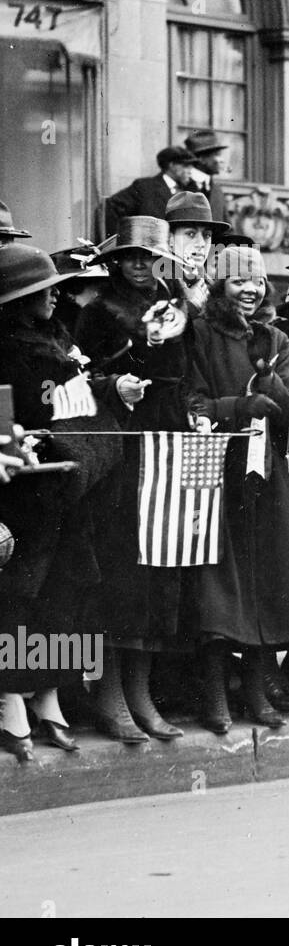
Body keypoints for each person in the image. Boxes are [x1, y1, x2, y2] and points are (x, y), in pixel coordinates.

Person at [185, 244, 289, 733]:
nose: (251, 290)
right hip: (216, 472)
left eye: (258, 282)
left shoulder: (276, 337)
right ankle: (216, 693)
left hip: (266, 475)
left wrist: (271, 380)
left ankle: (258, 688)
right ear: (220, 286)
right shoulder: (198, 334)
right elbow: (191, 403)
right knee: (220, 586)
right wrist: (237, 408)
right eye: (240, 281)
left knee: (267, 578)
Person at [74, 216, 195, 741]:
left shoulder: (176, 300)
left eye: (150, 256)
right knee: (122, 564)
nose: (142, 266)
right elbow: (81, 377)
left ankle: (140, 691)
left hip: (166, 437)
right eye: (132, 257)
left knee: (159, 565)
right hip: (120, 440)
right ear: (117, 260)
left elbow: (185, 369)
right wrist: (127, 364)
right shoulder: (99, 310)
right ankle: (108, 695)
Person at [1, 242, 123, 757]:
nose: (54, 297)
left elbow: (82, 409)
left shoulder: (57, 341)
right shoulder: (6, 350)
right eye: (42, 291)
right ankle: (10, 702)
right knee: (20, 598)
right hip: (22, 494)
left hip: (67, 489)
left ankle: (48, 696)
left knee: (64, 592)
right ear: (17, 300)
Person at [102, 147, 199, 234]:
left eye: (191, 166)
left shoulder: (192, 189)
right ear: (172, 165)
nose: (190, 171)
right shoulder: (144, 187)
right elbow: (112, 206)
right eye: (186, 166)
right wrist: (121, 241)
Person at [182, 129, 230, 225]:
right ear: (202, 159)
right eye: (217, 155)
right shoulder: (180, 186)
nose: (222, 160)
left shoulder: (217, 190)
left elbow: (227, 228)